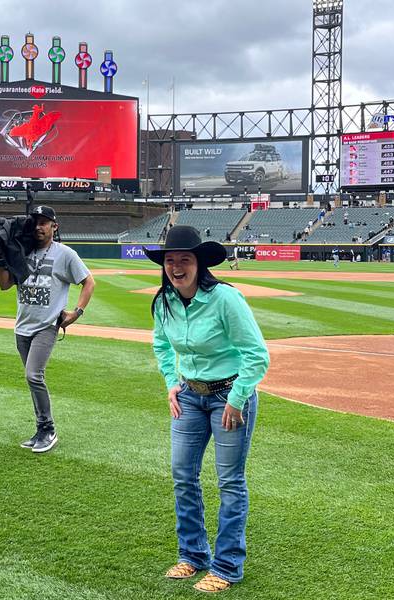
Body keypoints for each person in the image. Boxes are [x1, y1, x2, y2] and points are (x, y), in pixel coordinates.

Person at [147, 225, 269, 593]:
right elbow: (161, 345)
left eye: (185, 259)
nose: (176, 267)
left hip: (228, 397)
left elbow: (256, 355)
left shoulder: (226, 299)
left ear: (199, 263)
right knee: (183, 475)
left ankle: (228, 565)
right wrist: (172, 381)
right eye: (170, 260)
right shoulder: (164, 301)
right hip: (188, 396)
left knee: (230, 482)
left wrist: (237, 398)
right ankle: (193, 555)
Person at [0, 205, 95, 453]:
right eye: (36, 222)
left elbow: (88, 282)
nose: (39, 226)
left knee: (33, 375)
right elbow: (4, 285)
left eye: (44, 222)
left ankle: (48, 429)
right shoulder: (22, 251)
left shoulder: (65, 254)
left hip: (46, 325)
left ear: (54, 226)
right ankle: (40, 428)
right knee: (32, 380)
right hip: (22, 326)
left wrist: (76, 313)